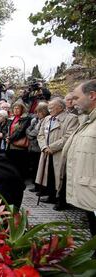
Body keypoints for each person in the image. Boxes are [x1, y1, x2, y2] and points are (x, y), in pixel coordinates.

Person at [62, 80, 96, 235]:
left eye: (76, 98)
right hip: (90, 197)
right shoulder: (87, 121)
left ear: (92, 96)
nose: (73, 102)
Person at [36, 98, 79, 209]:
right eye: (49, 106)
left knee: (60, 177)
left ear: (60, 107)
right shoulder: (47, 119)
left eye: (52, 106)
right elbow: (40, 135)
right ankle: (51, 196)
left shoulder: (71, 119)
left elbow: (68, 136)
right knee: (48, 174)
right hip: (46, 152)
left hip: (60, 154)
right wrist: (44, 147)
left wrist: (52, 148)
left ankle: (61, 200)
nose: (49, 109)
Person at [26, 102, 49, 193]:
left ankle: (41, 188)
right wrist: (31, 134)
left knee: (40, 169)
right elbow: (28, 130)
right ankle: (36, 186)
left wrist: (30, 134)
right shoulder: (35, 120)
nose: (37, 114)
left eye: (39, 112)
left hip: (39, 148)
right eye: (36, 112)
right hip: (32, 147)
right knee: (34, 168)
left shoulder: (46, 120)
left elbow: (37, 132)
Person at [5, 102, 31, 179]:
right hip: (11, 144)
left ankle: (21, 179)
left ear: (22, 109)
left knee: (20, 163)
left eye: (18, 108)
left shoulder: (25, 119)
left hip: (19, 145)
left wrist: (10, 139)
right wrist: (7, 136)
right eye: (14, 108)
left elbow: (21, 131)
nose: (15, 110)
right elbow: (8, 129)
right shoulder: (12, 118)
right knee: (12, 163)